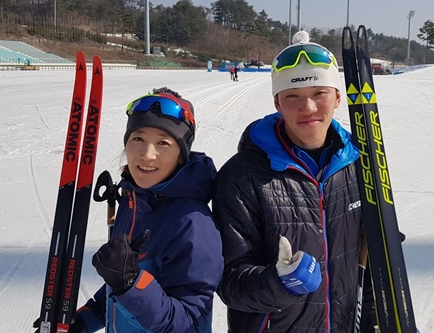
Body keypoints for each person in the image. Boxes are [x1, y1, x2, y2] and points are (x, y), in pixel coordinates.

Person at [212, 31, 377, 333]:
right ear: (277, 102)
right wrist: (279, 284)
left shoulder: (359, 167)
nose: (308, 108)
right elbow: (228, 281)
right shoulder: (242, 176)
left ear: (337, 97)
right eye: (293, 96)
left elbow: (364, 270)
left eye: (319, 93)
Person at [40, 88, 223, 333]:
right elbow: (117, 294)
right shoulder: (131, 203)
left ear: (181, 155)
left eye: (163, 143)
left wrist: (130, 282)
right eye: (138, 138)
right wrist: (83, 322)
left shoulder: (192, 223)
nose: (147, 155)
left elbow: (189, 320)